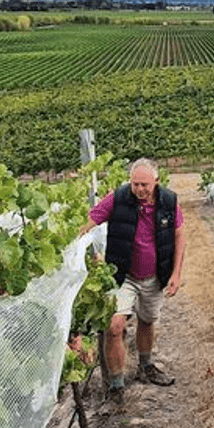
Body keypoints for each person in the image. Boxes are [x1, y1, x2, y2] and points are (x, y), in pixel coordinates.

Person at [84, 158, 186, 402]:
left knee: (147, 321)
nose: (139, 189)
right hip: (123, 275)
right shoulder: (117, 198)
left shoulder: (169, 201)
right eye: (135, 184)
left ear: (156, 181)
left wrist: (176, 273)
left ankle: (145, 366)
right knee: (114, 326)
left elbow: (179, 236)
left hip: (154, 275)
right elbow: (90, 222)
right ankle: (117, 385)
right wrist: (76, 250)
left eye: (144, 185)